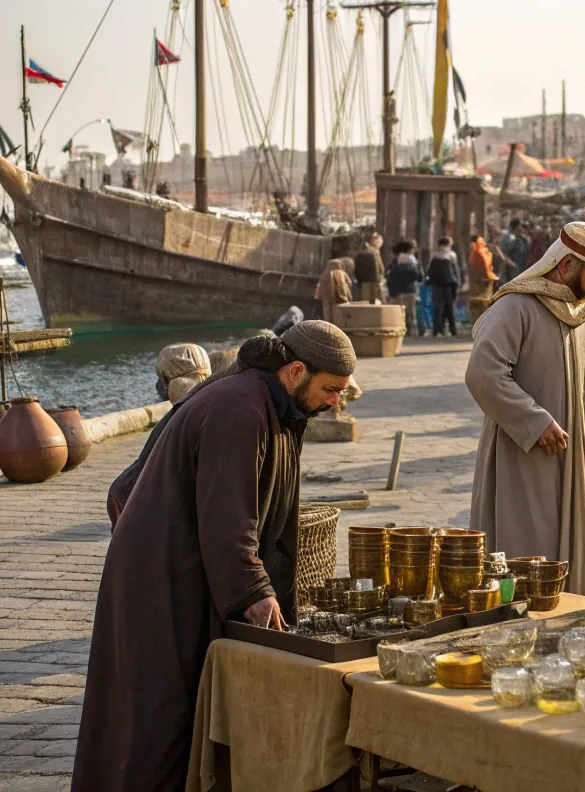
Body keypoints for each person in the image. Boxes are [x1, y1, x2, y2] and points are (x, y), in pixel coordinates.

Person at [74, 322, 356, 792]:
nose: (334, 402)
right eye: (330, 389)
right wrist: (254, 590)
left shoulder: (276, 405)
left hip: (193, 563)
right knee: (159, 713)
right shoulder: (239, 408)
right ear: (296, 371)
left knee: (186, 706)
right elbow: (229, 515)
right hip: (163, 571)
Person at [467, 221, 585, 594]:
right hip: (526, 453)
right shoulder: (516, 306)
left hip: (576, 453)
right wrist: (534, 422)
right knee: (526, 540)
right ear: (566, 265)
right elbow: (483, 374)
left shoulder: (584, 312)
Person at [387, 240, 425, 337]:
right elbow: (420, 276)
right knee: (411, 314)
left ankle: (398, 333)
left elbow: (389, 275)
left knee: (398, 314)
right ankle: (412, 333)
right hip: (409, 290)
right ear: (409, 250)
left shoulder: (395, 261)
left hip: (396, 292)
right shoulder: (413, 261)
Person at [427, 236, 461, 337]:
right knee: (450, 308)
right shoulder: (452, 255)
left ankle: (437, 329)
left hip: (437, 285)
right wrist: (458, 282)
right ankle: (452, 329)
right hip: (449, 285)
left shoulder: (435, 256)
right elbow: (456, 271)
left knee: (437, 307)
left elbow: (430, 271)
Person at [315, 256, 352, 322]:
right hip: (341, 296)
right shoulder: (342, 273)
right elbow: (349, 283)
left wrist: (319, 295)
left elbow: (320, 285)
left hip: (326, 296)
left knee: (327, 311)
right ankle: (340, 324)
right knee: (340, 310)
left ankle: (329, 324)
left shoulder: (325, 273)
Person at [354, 233, 385, 303]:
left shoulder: (360, 253)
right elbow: (381, 268)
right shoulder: (375, 252)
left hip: (362, 281)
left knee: (365, 302)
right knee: (379, 301)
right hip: (375, 280)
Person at [468, 233, 498, 299]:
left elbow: (484, 267)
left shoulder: (479, 252)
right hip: (486, 279)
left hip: (484, 280)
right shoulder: (482, 252)